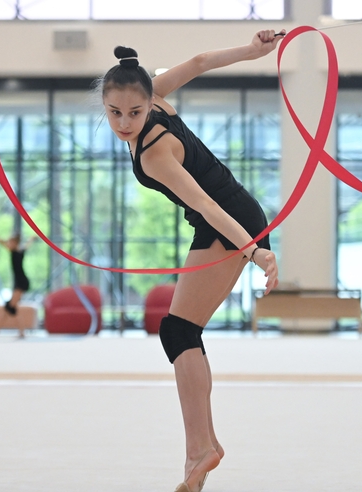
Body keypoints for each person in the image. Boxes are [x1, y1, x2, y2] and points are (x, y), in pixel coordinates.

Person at [99, 30, 283, 492]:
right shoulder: (158, 94)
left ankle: (200, 450)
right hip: (225, 218)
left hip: (230, 221)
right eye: (114, 113)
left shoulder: (155, 152)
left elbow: (206, 204)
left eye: (134, 112)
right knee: (180, 330)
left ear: (149, 101)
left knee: (179, 329)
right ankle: (199, 452)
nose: (124, 123)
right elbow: (200, 60)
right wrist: (253, 51)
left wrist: (255, 250)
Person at [0, 231, 35, 338]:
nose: (9, 244)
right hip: (19, 282)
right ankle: (1, 329)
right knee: (11, 307)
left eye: (11, 242)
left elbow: (4, 243)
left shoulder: (16, 252)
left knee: (10, 306)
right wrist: (31, 239)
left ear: (15, 243)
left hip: (21, 282)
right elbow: (26, 245)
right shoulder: (18, 251)